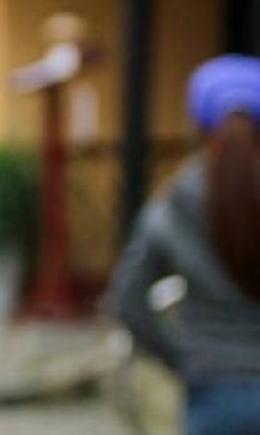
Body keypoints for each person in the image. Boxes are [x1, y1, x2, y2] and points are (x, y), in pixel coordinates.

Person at [104, 53, 260, 435]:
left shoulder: (176, 201)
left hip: (210, 396)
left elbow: (127, 299)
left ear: (198, 126)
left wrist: (182, 358)